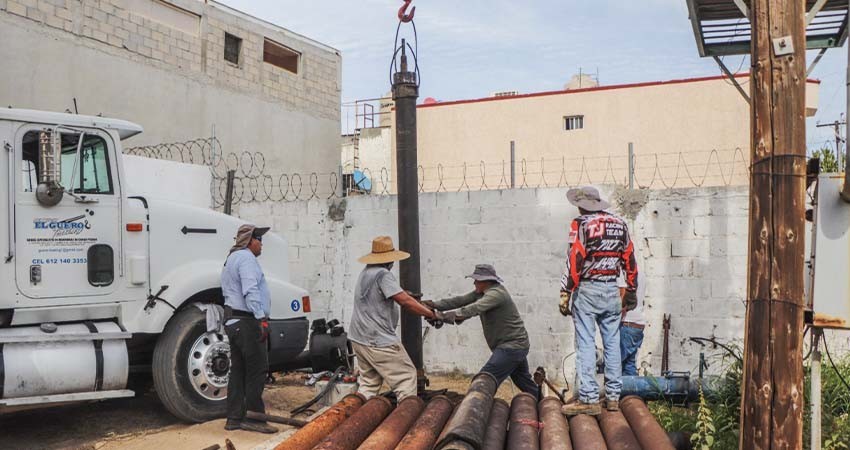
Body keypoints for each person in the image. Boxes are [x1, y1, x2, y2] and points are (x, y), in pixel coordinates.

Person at [559, 186, 638, 415]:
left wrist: (566, 291)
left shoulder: (581, 225)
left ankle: (589, 398)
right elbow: (629, 258)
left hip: (587, 289)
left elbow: (575, 260)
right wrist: (631, 289)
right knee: (612, 343)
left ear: (582, 205)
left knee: (585, 342)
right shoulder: (620, 224)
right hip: (611, 289)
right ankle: (613, 397)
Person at [424, 264, 540, 400]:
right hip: (516, 345)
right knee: (524, 383)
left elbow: (472, 309)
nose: (474, 283)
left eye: (477, 280)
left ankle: (473, 408)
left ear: (487, 281)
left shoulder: (496, 294)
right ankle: (544, 405)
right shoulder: (482, 293)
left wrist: (441, 316)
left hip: (511, 347)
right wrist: (434, 305)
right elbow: (460, 301)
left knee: (484, 380)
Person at [348, 236, 439, 401]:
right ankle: (405, 418)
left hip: (359, 338)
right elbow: (405, 302)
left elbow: (394, 295)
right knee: (406, 377)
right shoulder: (383, 274)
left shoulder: (366, 272)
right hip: (378, 340)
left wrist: (407, 296)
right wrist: (432, 314)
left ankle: (352, 417)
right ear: (389, 260)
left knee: (368, 385)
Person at [221, 224, 277, 433]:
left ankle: (234, 419)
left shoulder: (231, 258)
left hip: (233, 321)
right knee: (256, 370)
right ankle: (254, 418)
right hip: (246, 321)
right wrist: (261, 318)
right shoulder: (245, 258)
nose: (261, 243)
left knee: (238, 371)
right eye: (259, 239)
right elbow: (250, 289)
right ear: (249, 241)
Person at [619, 263, 647, 376]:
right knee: (629, 365)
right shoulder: (640, 272)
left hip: (627, 323)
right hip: (638, 324)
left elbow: (621, 302)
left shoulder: (623, 273)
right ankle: (631, 392)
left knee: (613, 363)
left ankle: (611, 393)